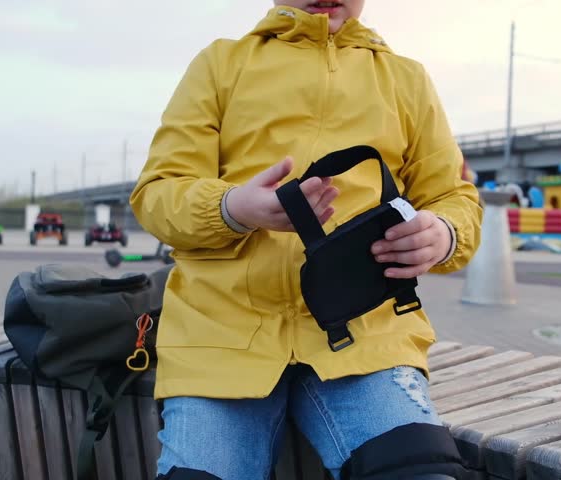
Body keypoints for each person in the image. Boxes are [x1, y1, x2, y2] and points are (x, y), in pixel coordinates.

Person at [130, 2, 483, 479]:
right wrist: (236, 208)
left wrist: (442, 233)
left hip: (368, 339)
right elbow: (156, 194)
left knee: (423, 472)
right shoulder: (219, 63)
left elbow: (452, 196)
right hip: (219, 339)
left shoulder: (406, 78)